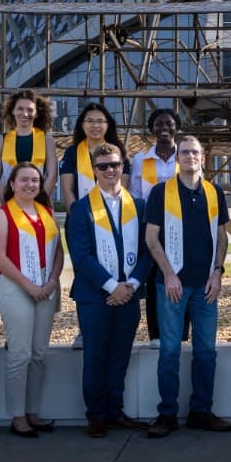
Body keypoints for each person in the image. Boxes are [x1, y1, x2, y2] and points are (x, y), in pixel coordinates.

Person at [142, 134, 231, 437]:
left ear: (203, 158)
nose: (190, 157)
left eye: (195, 152)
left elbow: (221, 236)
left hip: (205, 286)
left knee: (206, 351)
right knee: (169, 350)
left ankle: (201, 411)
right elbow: (151, 238)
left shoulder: (214, 192)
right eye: (185, 152)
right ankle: (167, 415)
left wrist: (218, 272)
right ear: (177, 157)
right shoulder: (161, 192)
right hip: (171, 286)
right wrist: (169, 273)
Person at [67, 142, 151, 437]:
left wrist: (132, 285)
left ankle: (115, 411)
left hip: (129, 294)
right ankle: (97, 415)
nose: (110, 170)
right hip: (94, 297)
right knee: (96, 357)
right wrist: (112, 287)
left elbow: (148, 251)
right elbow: (81, 256)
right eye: (103, 166)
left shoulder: (138, 205)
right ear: (94, 170)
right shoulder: (81, 208)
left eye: (115, 165)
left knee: (119, 356)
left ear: (122, 167)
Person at [0, 163, 63, 439]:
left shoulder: (46, 213)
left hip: (45, 288)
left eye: (35, 180)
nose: (30, 185)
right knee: (20, 354)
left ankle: (33, 411)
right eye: (24, 180)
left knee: (38, 354)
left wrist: (53, 280)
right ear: (12, 184)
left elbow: (58, 252)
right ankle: (17, 416)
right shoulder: (2, 214)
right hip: (16, 287)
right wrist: (29, 286)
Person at [131, 107, 180, 345]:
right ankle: (156, 333)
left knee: (181, 275)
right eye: (159, 124)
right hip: (151, 227)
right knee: (153, 280)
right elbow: (135, 195)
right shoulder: (140, 160)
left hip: (180, 226)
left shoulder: (187, 156)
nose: (164, 128)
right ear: (152, 128)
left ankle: (181, 332)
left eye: (169, 124)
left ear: (176, 127)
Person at [0, 88, 56, 202]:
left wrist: (39, 202)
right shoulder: (1, 139)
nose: (25, 114)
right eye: (20, 109)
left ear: (36, 113)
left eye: (30, 110)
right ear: (13, 111)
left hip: (39, 203)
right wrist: (6, 202)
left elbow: (52, 175)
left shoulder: (46, 139)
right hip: (9, 203)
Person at [58, 102, 124, 208]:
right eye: (90, 121)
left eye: (100, 121)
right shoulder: (71, 153)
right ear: (82, 124)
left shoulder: (118, 152)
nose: (95, 125)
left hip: (112, 215)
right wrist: (77, 216)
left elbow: (123, 188)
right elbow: (67, 190)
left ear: (107, 125)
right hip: (78, 217)